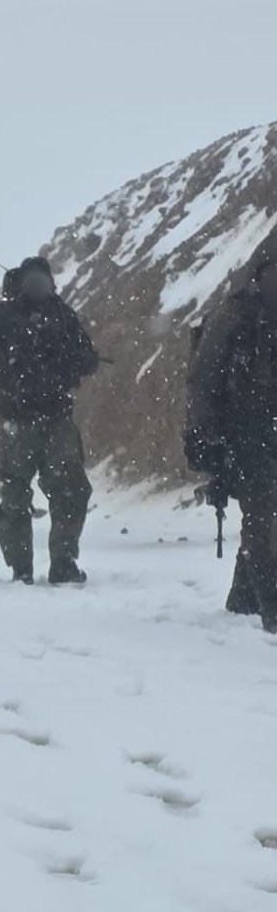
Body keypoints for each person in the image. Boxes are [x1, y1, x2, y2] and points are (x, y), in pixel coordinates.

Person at [0, 257, 98, 585]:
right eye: (34, 283)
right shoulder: (4, 318)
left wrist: (67, 369)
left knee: (69, 490)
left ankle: (63, 561)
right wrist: (13, 383)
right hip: (20, 420)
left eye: (44, 283)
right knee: (17, 493)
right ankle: (22, 566)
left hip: (53, 418)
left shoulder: (61, 314)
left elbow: (86, 357)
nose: (40, 290)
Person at [186, 235, 277, 630]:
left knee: (265, 519)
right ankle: (272, 607)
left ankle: (244, 598)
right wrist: (201, 438)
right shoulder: (236, 316)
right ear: (262, 275)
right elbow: (204, 380)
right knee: (265, 520)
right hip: (250, 433)